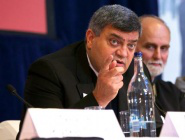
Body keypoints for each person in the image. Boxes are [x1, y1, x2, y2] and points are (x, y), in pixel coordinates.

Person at [17, 5, 162, 138]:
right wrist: (98, 98)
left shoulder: (136, 71)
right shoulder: (49, 72)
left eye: (131, 45)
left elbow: (153, 129)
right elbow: (46, 135)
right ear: (91, 38)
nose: (124, 53)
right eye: (114, 42)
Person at [136, 15, 185, 119]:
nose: (158, 56)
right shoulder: (116, 89)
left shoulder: (173, 93)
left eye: (164, 48)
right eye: (150, 47)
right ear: (132, 46)